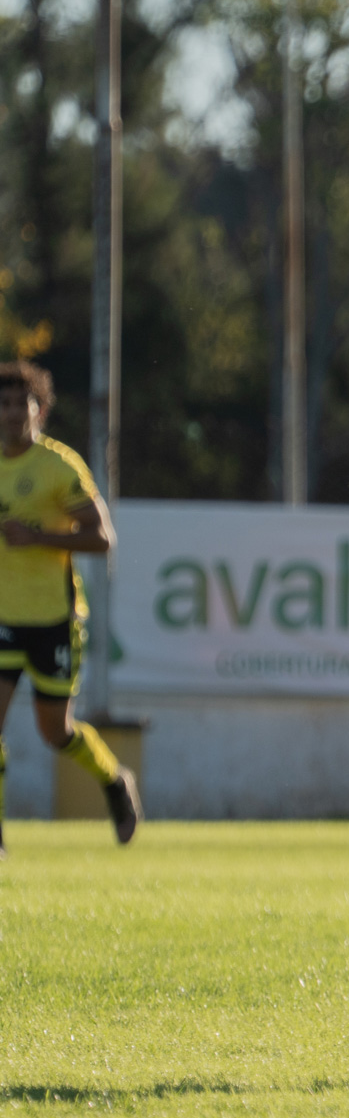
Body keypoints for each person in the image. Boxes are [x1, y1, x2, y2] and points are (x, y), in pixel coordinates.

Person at [0, 361, 142, 855]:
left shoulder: (58, 467)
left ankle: (114, 780)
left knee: (54, 731)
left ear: (39, 412)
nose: (14, 413)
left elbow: (103, 539)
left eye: (24, 404)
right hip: (1, 617)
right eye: (5, 404)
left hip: (53, 618)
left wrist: (37, 537)